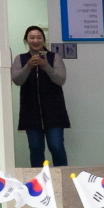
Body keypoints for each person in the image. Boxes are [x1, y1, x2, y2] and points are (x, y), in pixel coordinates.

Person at [12, 26, 69, 168]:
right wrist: (28, 66)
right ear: (26, 40)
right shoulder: (20, 58)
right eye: (32, 37)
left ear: (44, 39)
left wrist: (46, 66)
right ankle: (39, 184)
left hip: (54, 112)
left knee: (56, 147)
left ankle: (64, 180)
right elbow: (17, 80)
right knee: (35, 149)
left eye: (39, 37)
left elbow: (60, 80)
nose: (35, 40)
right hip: (30, 113)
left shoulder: (54, 57)